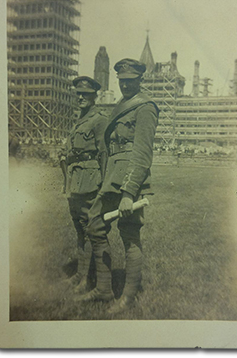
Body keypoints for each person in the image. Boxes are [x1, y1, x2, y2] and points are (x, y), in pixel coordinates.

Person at [76, 59, 159, 315]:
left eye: (130, 80)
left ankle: (128, 298)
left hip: (128, 183)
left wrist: (128, 193)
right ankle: (103, 288)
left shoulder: (145, 108)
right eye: (121, 80)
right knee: (94, 223)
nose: (125, 84)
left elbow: (143, 153)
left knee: (130, 234)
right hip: (112, 178)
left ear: (139, 80)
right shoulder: (122, 105)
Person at [63, 76, 108, 294]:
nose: (81, 97)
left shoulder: (99, 119)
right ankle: (81, 275)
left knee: (91, 232)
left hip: (90, 184)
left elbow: (104, 154)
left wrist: (104, 188)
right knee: (80, 231)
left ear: (94, 96)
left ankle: (91, 281)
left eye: (86, 94)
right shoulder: (80, 119)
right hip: (75, 182)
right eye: (78, 94)